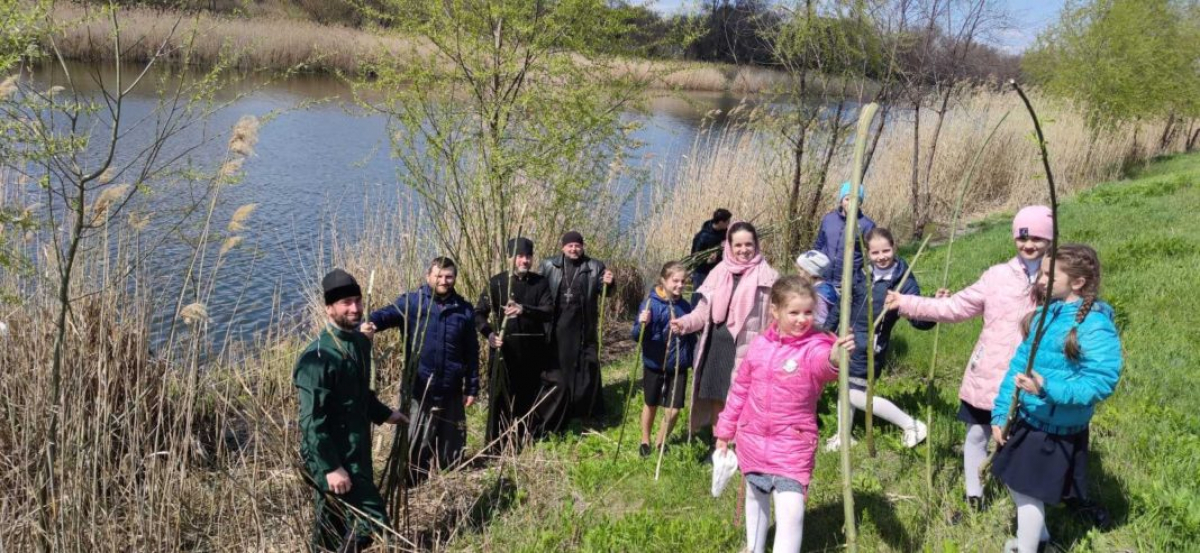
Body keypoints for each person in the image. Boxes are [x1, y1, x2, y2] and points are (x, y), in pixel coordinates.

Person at [884, 205, 1052, 512]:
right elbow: (955, 308)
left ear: (1050, 240)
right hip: (989, 374)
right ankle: (974, 494)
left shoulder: (1056, 279)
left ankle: (1028, 507)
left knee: (1022, 443)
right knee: (977, 433)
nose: (1029, 245)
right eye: (1022, 238)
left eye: (1038, 238)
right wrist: (906, 302)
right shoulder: (996, 276)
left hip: (1031, 377)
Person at [990, 244, 1122, 553]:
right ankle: (1041, 540)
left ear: (1077, 282)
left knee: (1027, 492)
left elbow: (1100, 381)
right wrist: (1000, 414)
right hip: (1029, 417)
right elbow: (1018, 367)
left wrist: (1047, 387)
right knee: (1014, 480)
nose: (1041, 277)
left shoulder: (1094, 325)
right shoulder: (1044, 316)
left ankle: (1028, 548)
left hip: (1055, 427)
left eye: (1050, 273)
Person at [715, 276, 856, 553]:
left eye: (807, 312)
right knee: (756, 501)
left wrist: (835, 358)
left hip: (793, 444)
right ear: (775, 311)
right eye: (794, 312)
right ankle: (754, 549)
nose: (802, 319)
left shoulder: (814, 345)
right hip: (752, 441)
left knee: (791, 513)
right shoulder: (759, 346)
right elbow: (741, 389)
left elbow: (822, 365)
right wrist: (724, 431)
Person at [294, 269, 406, 552]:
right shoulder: (316, 358)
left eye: (357, 300)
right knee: (374, 521)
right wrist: (332, 468)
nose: (355, 308)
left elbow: (361, 396)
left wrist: (385, 414)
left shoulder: (358, 343)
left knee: (336, 522)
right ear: (328, 308)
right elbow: (311, 422)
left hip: (358, 449)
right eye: (346, 302)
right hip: (331, 456)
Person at [363, 257, 478, 482]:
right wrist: (371, 324)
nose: (444, 281)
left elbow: (471, 351)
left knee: (451, 441)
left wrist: (471, 387)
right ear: (428, 276)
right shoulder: (413, 302)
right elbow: (387, 314)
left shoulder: (464, 309)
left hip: (451, 387)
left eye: (449, 276)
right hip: (419, 386)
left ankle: (448, 477)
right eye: (439, 276)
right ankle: (410, 481)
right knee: (415, 438)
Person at [826, 227, 936, 451]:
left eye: (886, 250)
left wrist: (933, 310)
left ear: (894, 246)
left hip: (871, 346)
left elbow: (919, 319)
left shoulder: (903, 280)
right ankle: (843, 436)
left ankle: (911, 424)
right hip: (848, 340)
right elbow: (843, 303)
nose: (881, 257)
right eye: (875, 253)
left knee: (854, 394)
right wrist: (828, 331)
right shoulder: (861, 272)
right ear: (868, 253)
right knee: (845, 388)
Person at [671, 221, 778, 438]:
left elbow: (775, 321)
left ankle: (739, 447)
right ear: (729, 246)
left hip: (746, 349)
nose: (743, 250)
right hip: (716, 347)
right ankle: (719, 446)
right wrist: (684, 323)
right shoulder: (719, 272)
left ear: (756, 245)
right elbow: (702, 313)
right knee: (717, 397)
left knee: (741, 401)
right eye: (738, 245)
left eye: (748, 244)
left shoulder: (769, 277)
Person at [475, 237, 553, 447]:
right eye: (519, 256)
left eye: (528, 256)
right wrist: (489, 334)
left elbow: (548, 312)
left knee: (528, 398)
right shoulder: (497, 282)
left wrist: (523, 309)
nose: (524, 261)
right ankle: (495, 444)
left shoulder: (540, 283)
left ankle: (524, 441)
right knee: (499, 398)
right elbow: (478, 314)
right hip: (503, 352)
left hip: (531, 352)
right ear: (510, 258)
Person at [539, 231, 615, 429]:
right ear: (563, 247)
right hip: (557, 327)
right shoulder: (549, 265)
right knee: (561, 368)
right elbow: (540, 291)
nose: (574, 249)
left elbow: (606, 292)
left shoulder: (594, 266)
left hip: (583, 325)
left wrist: (609, 283)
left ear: (583, 247)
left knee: (586, 368)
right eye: (570, 246)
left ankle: (588, 411)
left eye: (577, 246)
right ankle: (561, 408)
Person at [631, 262, 696, 457]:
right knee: (651, 403)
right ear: (663, 280)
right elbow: (636, 335)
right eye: (675, 280)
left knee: (674, 409)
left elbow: (691, 334)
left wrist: (692, 357)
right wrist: (642, 324)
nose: (679, 285)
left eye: (683, 281)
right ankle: (645, 440)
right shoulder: (650, 304)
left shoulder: (685, 306)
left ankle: (660, 442)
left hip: (678, 364)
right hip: (654, 362)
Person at [813, 181, 876, 290]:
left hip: (849, 284)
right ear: (841, 201)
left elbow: (874, 255)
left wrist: (861, 276)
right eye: (847, 199)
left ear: (860, 202)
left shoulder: (867, 225)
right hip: (824, 281)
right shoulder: (828, 219)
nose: (851, 203)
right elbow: (818, 246)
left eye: (856, 200)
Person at [690, 208, 733, 296]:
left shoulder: (725, 232)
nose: (729, 223)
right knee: (698, 296)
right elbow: (694, 257)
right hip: (701, 271)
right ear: (721, 222)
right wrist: (708, 260)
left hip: (717, 269)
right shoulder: (702, 236)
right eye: (728, 221)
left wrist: (724, 247)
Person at [795, 250, 838, 331]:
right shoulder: (827, 287)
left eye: (800, 271)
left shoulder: (818, 295)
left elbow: (821, 322)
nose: (798, 275)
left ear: (810, 272)